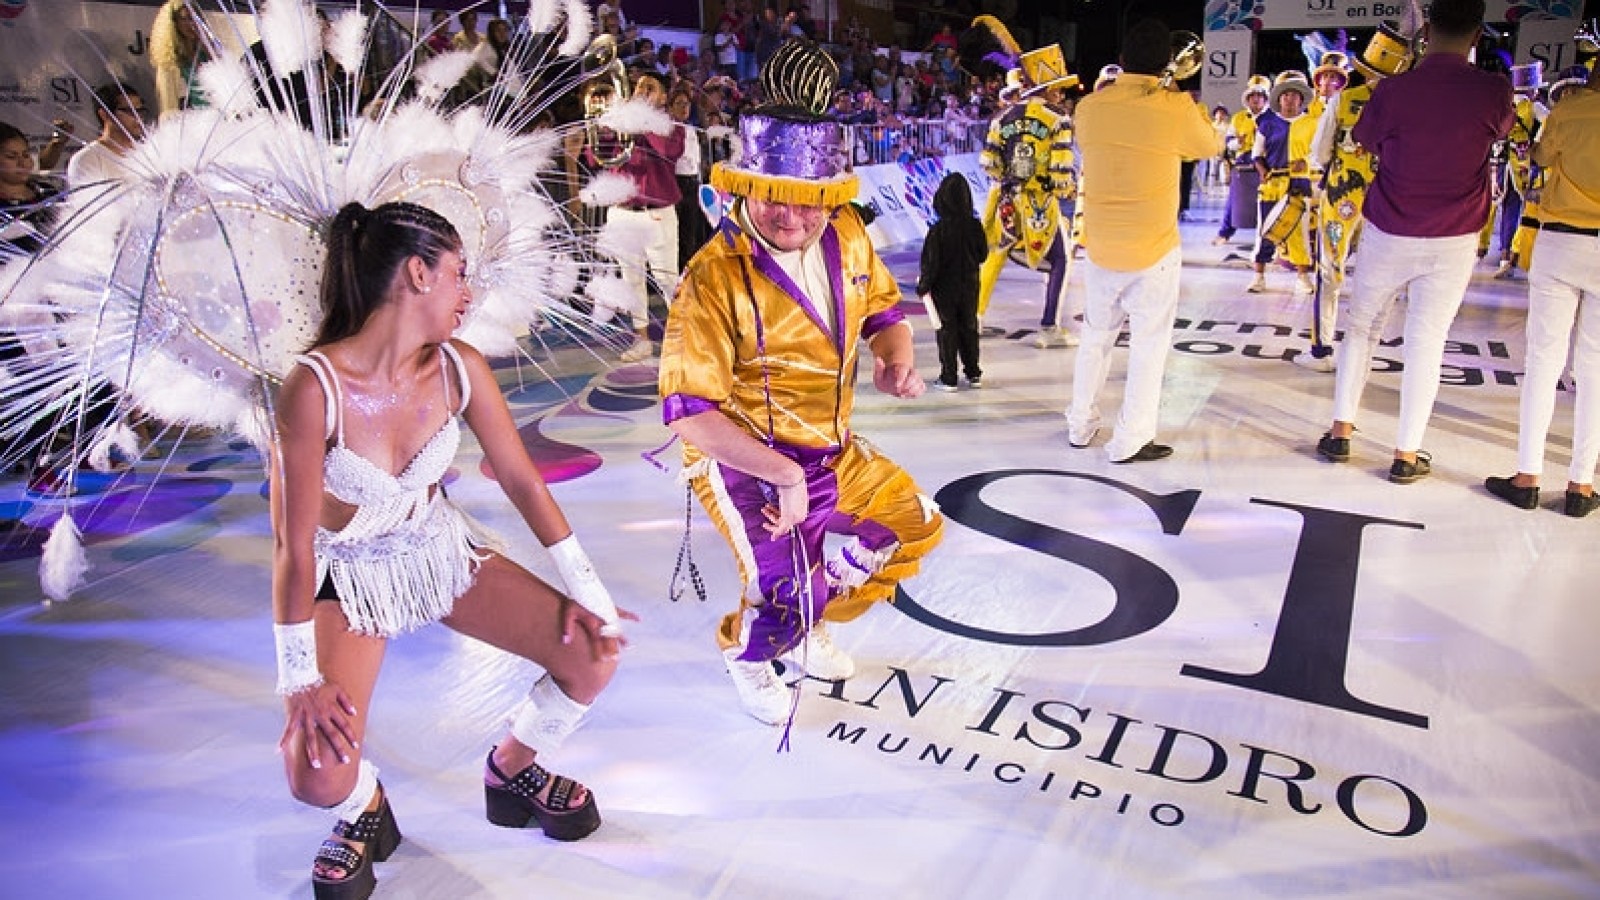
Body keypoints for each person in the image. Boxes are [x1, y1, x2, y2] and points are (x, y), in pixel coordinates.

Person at [272, 201, 631, 899]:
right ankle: (363, 806)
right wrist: (298, 680)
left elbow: (522, 479)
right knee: (315, 774)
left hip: (439, 552)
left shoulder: (458, 366)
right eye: (459, 273)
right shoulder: (313, 388)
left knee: (594, 653)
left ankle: (513, 769)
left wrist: (589, 591)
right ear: (417, 273)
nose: (470, 293)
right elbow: (292, 543)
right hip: (350, 580)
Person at [658, 39, 944, 725]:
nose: (791, 218)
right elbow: (689, 411)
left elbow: (884, 310)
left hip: (831, 447)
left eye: (808, 202)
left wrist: (894, 358)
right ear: (744, 187)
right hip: (745, 463)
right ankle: (748, 654)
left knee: (915, 523)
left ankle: (810, 618)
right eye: (772, 200)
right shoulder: (712, 275)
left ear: (830, 195)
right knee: (783, 588)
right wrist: (783, 475)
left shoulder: (846, 232)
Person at [1315, 0, 1513, 484]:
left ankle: (1341, 431)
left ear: (1425, 33)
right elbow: (1504, 131)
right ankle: (1406, 454)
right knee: (1427, 341)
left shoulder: (1393, 89)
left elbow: (1365, 139)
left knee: (1362, 328)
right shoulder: (1493, 90)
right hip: (1454, 236)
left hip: (1389, 227)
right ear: (1476, 36)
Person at [1066, 18, 1222, 463]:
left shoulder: (1089, 107)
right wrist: (1179, 96)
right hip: (1154, 251)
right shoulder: (1175, 107)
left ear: (1121, 60)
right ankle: (1130, 439)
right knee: (1148, 346)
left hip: (1101, 247)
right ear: (1166, 64)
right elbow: (1210, 146)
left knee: (1095, 338)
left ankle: (1080, 424)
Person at [1484, 73, 1600, 517]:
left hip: (1561, 240)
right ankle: (1581, 486)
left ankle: (1528, 477)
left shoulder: (1570, 109)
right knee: (1594, 370)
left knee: (1543, 361)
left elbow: (1541, 156)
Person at [1302, 26, 1417, 372]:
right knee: (1378, 275)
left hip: (1342, 198)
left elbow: (1320, 152)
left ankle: (1321, 350)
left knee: (1329, 269)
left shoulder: (1344, 101)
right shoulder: (1408, 109)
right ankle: (1361, 349)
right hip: (1388, 202)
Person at [965, 23, 1080, 346]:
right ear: (1047, 87)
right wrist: (1065, 188)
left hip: (1007, 200)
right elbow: (1060, 171)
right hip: (1040, 203)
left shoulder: (1002, 118)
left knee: (995, 256)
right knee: (1061, 261)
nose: (1061, 94)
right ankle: (1049, 327)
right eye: (1058, 88)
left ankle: (974, 317)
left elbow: (989, 163)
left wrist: (1009, 183)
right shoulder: (1058, 119)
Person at [595, 72, 685, 363]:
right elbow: (596, 157)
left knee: (667, 280)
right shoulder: (620, 122)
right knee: (631, 281)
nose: (642, 91)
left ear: (663, 97)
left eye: (650, 88)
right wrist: (606, 127)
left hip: (656, 214)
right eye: (639, 87)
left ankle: (684, 340)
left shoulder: (671, 126)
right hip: (622, 213)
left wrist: (639, 121)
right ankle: (641, 340)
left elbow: (669, 150)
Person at [1248, 71, 1316, 295]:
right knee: (1266, 229)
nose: (1289, 99)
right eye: (1285, 95)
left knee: (1299, 230)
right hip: (1273, 183)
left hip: (1299, 183)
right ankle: (1259, 276)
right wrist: (1263, 172)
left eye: (1294, 95)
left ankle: (1302, 277)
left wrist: (1306, 162)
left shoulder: (1312, 123)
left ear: (1301, 99)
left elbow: (1319, 153)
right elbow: (1257, 154)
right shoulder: (1267, 123)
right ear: (1279, 99)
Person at [918, 172, 987, 391]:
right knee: (969, 326)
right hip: (970, 285)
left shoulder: (938, 231)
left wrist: (923, 286)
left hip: (944, 289)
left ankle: (949, 376)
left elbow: (931, 263)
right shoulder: (975, 226)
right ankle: (973, 372)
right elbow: (983, 255)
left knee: (947, 329)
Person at [1213, 76, 1269, 246]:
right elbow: (1229, 141)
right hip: (1243, 164)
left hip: (1266, 164)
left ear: (1265, 99)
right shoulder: (1239, 118)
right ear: (1248, 99)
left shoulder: (1272, 118)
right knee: (1234, 201)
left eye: (1259, 96)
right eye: (1253, 96)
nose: (1256, 99)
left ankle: (1270, 239)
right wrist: (1238, 142)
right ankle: (1224, 233)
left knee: (1268, 202)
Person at [66, 82, 147, 190]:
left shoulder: (148, 154)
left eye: (140, 111)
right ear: (104, 114)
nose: (138, 117)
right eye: (129, 111)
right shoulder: (86, 159)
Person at [149, 0, 211, 119]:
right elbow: (168, 105)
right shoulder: (169, 61)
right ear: (173, 23)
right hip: (191, 122)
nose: (192, 23)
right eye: (184, 19)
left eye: (194, 18)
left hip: (217, 118)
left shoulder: (205, 54)